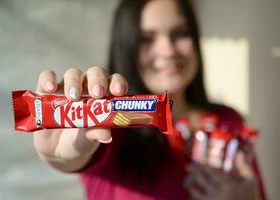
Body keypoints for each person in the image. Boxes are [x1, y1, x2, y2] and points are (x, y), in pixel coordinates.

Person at [33, 0, 266, 199]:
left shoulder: (229, 121)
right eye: (146, 39)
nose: (167, 51)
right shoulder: (116, 126)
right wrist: (58, 155)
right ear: (125, 49)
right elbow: (75, 155)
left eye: (180, 34)